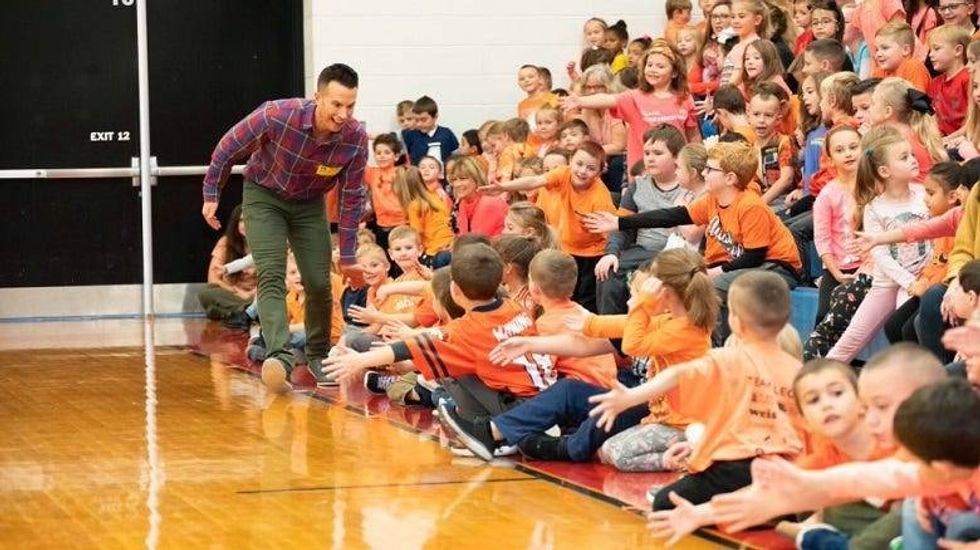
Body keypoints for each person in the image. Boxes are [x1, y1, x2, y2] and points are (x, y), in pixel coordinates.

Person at [201, 63, 366, 392]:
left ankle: (318, 355)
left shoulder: (355, 139)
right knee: (272, 273)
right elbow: (227, 148)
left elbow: (351, 199)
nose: (344, 114)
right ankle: (279, 355)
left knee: (319, 282)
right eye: (336, 104)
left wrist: (348, 254)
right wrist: (211, 193)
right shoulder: (276, 115)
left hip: (309, 205)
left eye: (351, 105)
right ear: (317, 96)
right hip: (264, 196)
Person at [588, 271, 804, 511]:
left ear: (735, 320)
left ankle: (737, 503)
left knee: (663, 502)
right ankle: (760, 504)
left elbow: (677, 374)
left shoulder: (729, 358)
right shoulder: (798, 371)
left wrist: (631, 397)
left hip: (733, 466)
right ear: (787, 318)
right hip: (783, 469)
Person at [583, 140, 802, 345]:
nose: (704, 173)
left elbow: (755, 254)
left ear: (730, 178)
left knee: (707, 287)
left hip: (775, 267)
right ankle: (657, 342)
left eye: (710, 169)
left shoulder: (749, 206)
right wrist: (620, 222)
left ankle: (711, 349)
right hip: (743, 265)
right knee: (668, 282)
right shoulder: (712, 200)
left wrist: (717, 270)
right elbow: (673, 215)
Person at [321, 243, 556, 420]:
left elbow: (406, 348)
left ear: (455, 291)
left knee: (451, 370)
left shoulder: (465, 329)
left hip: (519, 408)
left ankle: (481, 426)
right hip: (546, 398)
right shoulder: (512, 306)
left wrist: (360, 359)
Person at [197, 205, 256, 326]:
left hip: (258, 295)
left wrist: (253, 293)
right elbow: (213, 278)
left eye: (249, 220)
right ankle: (246, 311)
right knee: (205, 294)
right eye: (241, 221)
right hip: (233, 294)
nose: (245, 225)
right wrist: (237, 291)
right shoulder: (226, 242)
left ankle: (228, 313)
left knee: (276, 295)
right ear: (235, 224)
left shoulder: (266, 244)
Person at [927, 24, 972, 136]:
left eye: (937, 49)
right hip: (943, 140)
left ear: (958, 50)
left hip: (965, 139)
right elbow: (932, 118)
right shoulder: (935, 83)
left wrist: (949, 140)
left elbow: (974, 121)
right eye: (930, 50)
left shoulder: (969, 78)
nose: (931, 55)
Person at [402, 95, 459, 165]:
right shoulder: (409, 135)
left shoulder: (447, 134)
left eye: (423, 120)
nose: (419, 124)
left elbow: (456, 158)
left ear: (435, 117)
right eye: (416, 120)